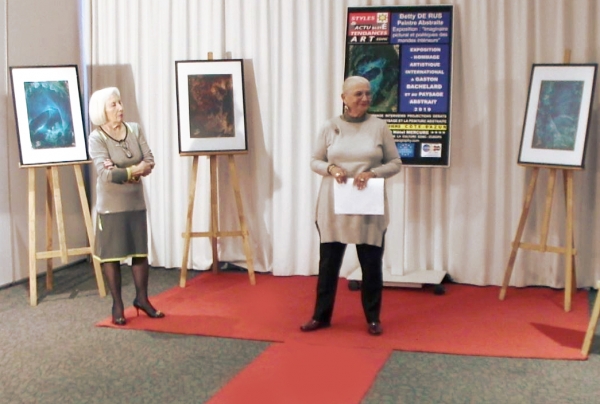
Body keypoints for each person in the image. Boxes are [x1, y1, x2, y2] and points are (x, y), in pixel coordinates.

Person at [301, 76, 402, 336]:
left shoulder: (380, 127)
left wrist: (374, 173)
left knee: (371, 265)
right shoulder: (329, 127)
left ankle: (373, 318)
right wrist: (331, 168)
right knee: (328, 265)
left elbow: (395, 163)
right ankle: (320, 316)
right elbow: (314, 161)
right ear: (344, 98)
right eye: (358, 94)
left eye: (368, 94)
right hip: (334, 204)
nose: (365, 99)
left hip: (368, 205)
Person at [88, 87, 164, 326]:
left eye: (120, 103)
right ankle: (117, 305)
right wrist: (134, 170)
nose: (120, 108)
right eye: (114, 105)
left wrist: (123, 170)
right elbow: (105, 174)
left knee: (139, 252)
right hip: (111, 206)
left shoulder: (134, 129)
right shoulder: (97, 138)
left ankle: (142, 298)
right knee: (111, 255)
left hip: (135, 202)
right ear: (102, 110)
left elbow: (149, 160)